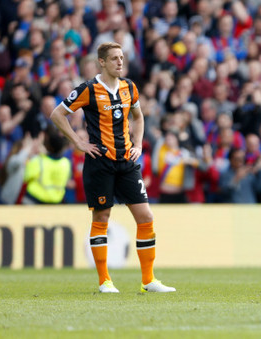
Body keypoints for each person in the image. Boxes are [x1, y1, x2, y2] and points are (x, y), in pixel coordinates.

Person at [50, 42, 175, 294]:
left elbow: (138, 117)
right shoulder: (88, 89)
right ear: (102, 62)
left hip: (127, 162)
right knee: (102, 218)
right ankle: (104, 280)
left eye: (122, 57)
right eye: (114, 58)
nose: (120, 62)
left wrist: (138, 144)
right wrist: (78, 143)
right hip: (100, 163)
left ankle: (148, 280)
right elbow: (57, 114)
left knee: (146, 217)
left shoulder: (130, 87)